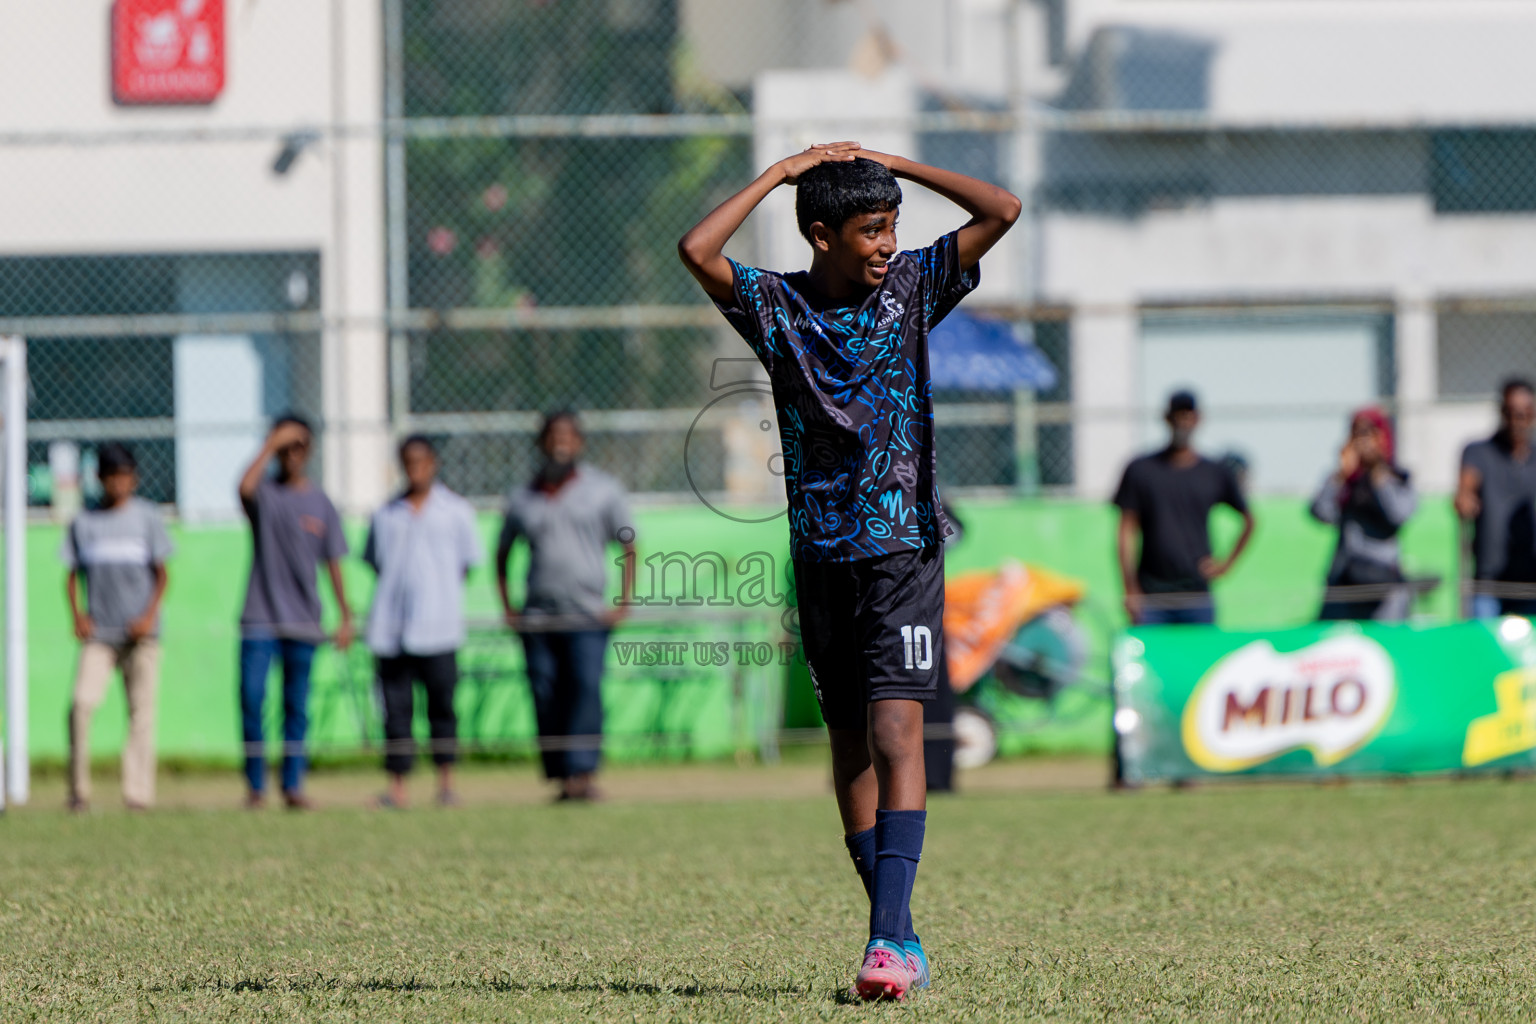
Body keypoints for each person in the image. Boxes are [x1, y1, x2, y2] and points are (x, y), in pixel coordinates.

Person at [678, 142, 1019, 1000]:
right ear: (820, 235)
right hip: (821, 554)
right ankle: (897, 932)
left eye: (894, 227)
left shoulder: (911, 289)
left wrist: (893, 162)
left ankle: (885, 942)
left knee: (898, 732)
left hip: (902, 546)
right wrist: (779, 173)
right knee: (846, 746)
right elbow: (696, 251)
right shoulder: (774, 303)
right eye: (871, 229)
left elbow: (1001, 210)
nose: (886, 244)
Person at [495, 411, 636, 803]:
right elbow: (502, 552)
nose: (560, 443)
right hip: (538, 618)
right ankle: (560, 775)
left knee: (585, 689)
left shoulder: (604, 490)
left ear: (579, 443)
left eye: (568, 436)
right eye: (553, 436)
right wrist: (509, 607)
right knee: (546, 692)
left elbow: (629, 543)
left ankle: (584, 773)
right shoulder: (523, 496)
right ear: (541, 443)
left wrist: (623, 603)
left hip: (587, 614)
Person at [236, 415, 353, 810]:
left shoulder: (321, 502)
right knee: (252, 699)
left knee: (295, 708)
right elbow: (243, 487)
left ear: (310, 451)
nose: (292, 454)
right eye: (285, 447)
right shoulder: (265, 495)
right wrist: (269, 444)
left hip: (303, 621)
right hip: (260, 618)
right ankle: (255, 787)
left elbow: (334, 563)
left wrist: (345, 615)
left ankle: (292, 785)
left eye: (297, 445)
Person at [364, 435, 483, 809]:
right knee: (396, 713)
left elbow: (466, 565)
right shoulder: (385, 514)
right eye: (408, 462)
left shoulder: (457, 511)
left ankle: (446, 785)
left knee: (442, 709)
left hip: (440, 629)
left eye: (422, 462)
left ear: (434, 463)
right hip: (391, 630)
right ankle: (398, 788)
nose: (415, 469)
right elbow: (376, 563)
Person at [62, 443, 172, 811]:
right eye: (112, 476)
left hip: (142, 635)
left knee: (142, 714)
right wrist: (78, 615)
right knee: (81, 704)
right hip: (100, 635)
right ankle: (79, 792)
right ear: (100, 479)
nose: (118, 483)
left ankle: (137, 794)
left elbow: (162, 575)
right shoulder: (84, 522)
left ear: (134, 479)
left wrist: (148, 617)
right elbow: (71, 575)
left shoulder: (147, 518)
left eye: (125, 476)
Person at [1114, 390, 1254, 625]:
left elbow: (1249, 520)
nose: (1183, 423)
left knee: (1200, 659)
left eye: (1188, 416)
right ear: (1166, 419)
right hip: (1151, 596)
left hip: (1196, 595)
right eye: (1177, 416)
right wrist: (1130, 588)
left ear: (1198, 419)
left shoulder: (1213, 472)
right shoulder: (1142, 470)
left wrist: (1226, 564)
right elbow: (1126, 530)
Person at [1311, 408, 1417, 621]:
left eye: (1370, 434)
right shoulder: (1344, 481)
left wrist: (1378, 472)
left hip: (1383, 585)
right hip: (1344, 581)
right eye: (1357, 434)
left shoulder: (1398, 477)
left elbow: (1399, 514)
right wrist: (1340, 476)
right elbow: (1321, 513)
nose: (1363, 442)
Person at [1457, 378, 1536, 617]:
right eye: (1512, 413)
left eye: (1524, 413)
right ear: (1502, 412)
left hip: (1531, 585)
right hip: (1488, 584)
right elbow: (1467, 485)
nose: (1517, 421)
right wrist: (1465, 497)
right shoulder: (1479, 452)